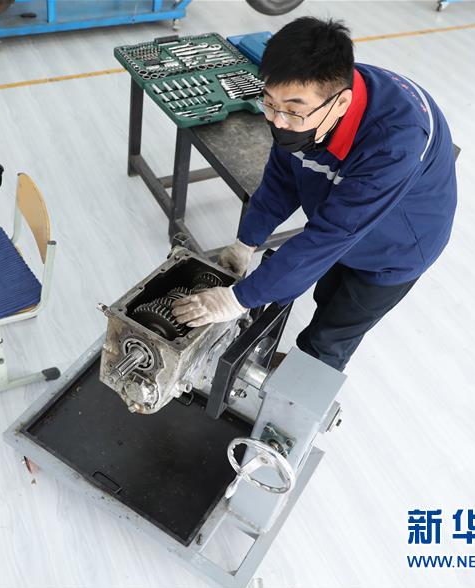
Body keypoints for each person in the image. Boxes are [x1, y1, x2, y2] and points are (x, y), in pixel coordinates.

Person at [172, 17, 457, 371]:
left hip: (396, 246)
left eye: (293, 111)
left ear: (341, 104)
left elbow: (330, 235)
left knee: (330, 338)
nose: (278, 121)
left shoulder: (395, 143)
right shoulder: (313, 98)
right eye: (269, 103)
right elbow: (282, 178)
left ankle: (299, 390)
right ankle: (294, 367)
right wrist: (246, 241)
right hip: (346, 213)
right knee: (326, 293)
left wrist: (237, 299)